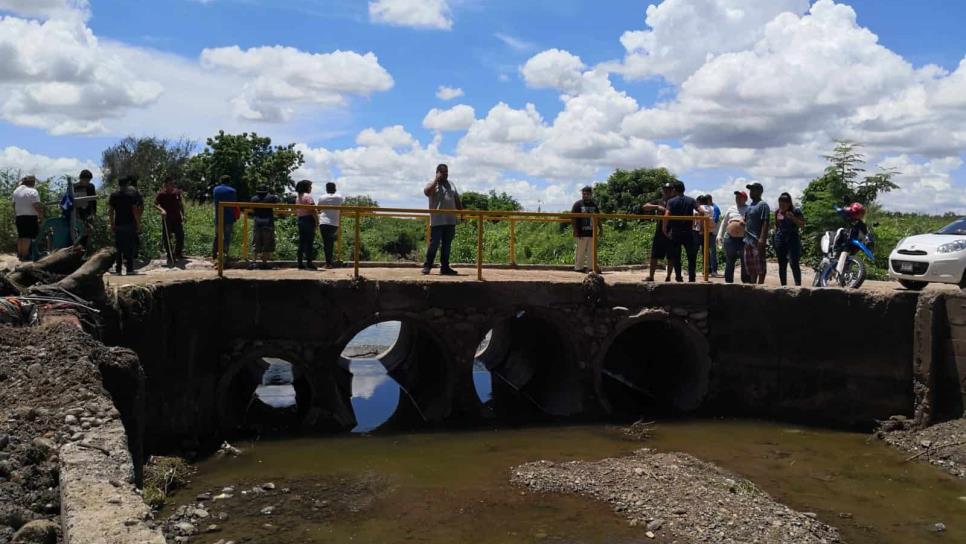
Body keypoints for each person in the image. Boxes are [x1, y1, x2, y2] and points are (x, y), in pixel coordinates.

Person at [422, 163, 461, 275]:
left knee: (447, 245)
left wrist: (462, 214)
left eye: (447, 173)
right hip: (437, 221)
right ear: (438, 173)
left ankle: (445, 267)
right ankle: (427, 266)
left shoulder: (451, 184)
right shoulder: (432, 184)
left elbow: (457, 199)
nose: (446, 175)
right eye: (443, 173)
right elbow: (427, 192)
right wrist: (436, 180)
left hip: (450, 220)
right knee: (434, 244)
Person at [663, 181, 700, 282]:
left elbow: (666, 215)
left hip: (675, 232)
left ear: (674, 190)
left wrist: (664, 229)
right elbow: (701, 211)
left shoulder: (671, 201)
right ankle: (692, 277)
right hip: (688, 232)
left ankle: (678, 276)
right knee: (691, 256)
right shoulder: (691, 200)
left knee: (676, 256)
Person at [108, 175, 143, 275]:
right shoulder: (131, 195)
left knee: (119, 247)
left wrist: (111, 224)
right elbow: (134, 210)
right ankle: (129, 269)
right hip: (130, 224)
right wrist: (138, 223)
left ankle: (118, 270)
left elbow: (110, 211)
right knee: (129, 247)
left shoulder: (114, 195)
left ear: (119, 184)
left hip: (118, 224)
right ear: (127, 184)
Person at [642, 182, 674, 282]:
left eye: (669, 189)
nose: (667, 191)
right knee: (654, 255)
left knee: (670, 256)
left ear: (672, 191)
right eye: (665, 189)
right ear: (662, 191)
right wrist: (656, 207)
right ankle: (651, 276)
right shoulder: (659, 201)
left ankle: (668, 276)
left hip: (671, 231)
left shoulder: (674, 202)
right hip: (659, 231)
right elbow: (645, 206)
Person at [717, 191, 750, 284]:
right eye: (736, 197)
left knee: (745, 261)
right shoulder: (731, 208)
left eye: (740, 197)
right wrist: (719, 235)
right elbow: (724, 222)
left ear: (745, 199)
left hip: (743, 238)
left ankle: (746, 282)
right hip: (730, 238)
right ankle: (728, 282)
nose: (738, 199)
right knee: (730, 261)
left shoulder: (749, 209)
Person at [774, 192, 805, 286]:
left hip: (792, 238)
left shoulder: (796, 211)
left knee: (793, 263)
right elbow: (777, 225)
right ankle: (783, 286)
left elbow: (802, 225)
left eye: (784, 203)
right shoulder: (777, 212)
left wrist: (793, 218)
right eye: (780, 202)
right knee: (782, 264)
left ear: (789, 203)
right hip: (780, 238)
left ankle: (798, 285)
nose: (782, 205)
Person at [742, 182, 770, 285]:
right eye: (750, 190)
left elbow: (765, 222)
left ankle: (761, 285)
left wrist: (762, 238)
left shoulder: (763, 205)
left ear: (760, 191)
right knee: (751, 266)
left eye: (753, 190)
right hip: (748, 240)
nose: (751, 192)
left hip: (757, 240)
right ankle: (754, 285)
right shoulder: (750, 206)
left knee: (760, 265)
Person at [154, 176, 185, 264]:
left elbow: (180, 204)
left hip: (177, 219)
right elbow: (155, 204)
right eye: (168, 184)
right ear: (165, 185)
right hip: (167, 219)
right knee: (167, 237)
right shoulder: (161, 194)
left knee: (180, 236)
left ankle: (177, 253)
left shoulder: (177, 193)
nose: (170, 186)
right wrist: (162, 210)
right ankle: (170, 255)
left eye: (171, 184)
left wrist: (183, 215)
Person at [12, 175, 43, 261]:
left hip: (19, 216)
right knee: (27, 237)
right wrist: (41, 215)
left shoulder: (16, 191)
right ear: (32, 182)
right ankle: (25, 256)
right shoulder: (33, 191)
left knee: (21, 236)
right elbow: (36, 205)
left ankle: (20, 254)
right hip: (30, 217)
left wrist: (16, 214)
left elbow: (13, 205)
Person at [249, 185, 279, 270]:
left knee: (256, 243)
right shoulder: (271, 198)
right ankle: (264, 263)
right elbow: (277, 202)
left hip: (257, 223)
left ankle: (254, 262)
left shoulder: (254, 199)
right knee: (267, 244)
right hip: (268, 223)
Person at [211, 175, 238, 263]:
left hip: (218, 217)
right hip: (229, 218)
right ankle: (225, 254)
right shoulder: (232, 191)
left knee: (217, 236)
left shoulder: (215, 189)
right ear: (229, 181)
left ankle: (214, 254)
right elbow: (234, 204)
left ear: (221, 181)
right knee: (227, 237)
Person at [571, 186, 598, 273]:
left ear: (591, 194)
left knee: (591, 252)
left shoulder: (594, 205)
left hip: (592, 232)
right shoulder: (577, 204)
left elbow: (598, 218)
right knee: (580, 251)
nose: (585, 195)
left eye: (587, 194)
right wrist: (575, 231)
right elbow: (573, 218)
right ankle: (578, 268)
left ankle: (590, 268)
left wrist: (600, 229)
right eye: (583, 194)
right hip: (581, 232)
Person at [317, 182, 344, 268]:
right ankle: (329, 262)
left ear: (326, 189)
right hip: (334, 224)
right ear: (335, 188)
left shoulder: (322, 198)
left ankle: (328, 263)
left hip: (324, 222)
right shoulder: (339, 197)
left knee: (326, 243)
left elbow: (318, 209)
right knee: (330, 243)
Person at [295, 179, 318, 270]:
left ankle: (300, 262)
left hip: (301, 219)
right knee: (309, 242)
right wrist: (317, 221)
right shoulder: (308, 197)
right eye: (310, 186)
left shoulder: (298, 197)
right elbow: (312, 210)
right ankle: (309, 262)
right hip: (308, 220)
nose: (311, 188)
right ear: (306, 187)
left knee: (302, 242)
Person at [73, 169, 97, 249]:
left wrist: (94, 213)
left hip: (88, 212)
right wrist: (76, 214)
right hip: (78, 213)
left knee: (89, 231)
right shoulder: (74, 187)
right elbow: (71, 202)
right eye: (86, 180)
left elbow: (93, 201)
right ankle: (79, 249)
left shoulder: (91, 186)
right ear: (81, 178)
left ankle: (87, 249)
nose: (87, 181)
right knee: (79, 231)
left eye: (89, 180)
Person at [693, 195, 714, 275]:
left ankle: (692, 269)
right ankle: (706, 270)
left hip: (697, 231)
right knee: (705, 251)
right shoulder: (711, 208)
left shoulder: (696, 209)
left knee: (694, 251)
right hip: (707, 231)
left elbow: (694, 219)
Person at [706, 194, 721, 276]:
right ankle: (708, 270)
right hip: (707, 232)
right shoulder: (707, 208)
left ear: (709, 200)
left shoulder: (715, 208)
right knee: (706, 252)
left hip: (713, 232)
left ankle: (714, 270)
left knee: (712, 252)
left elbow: (714, 221)